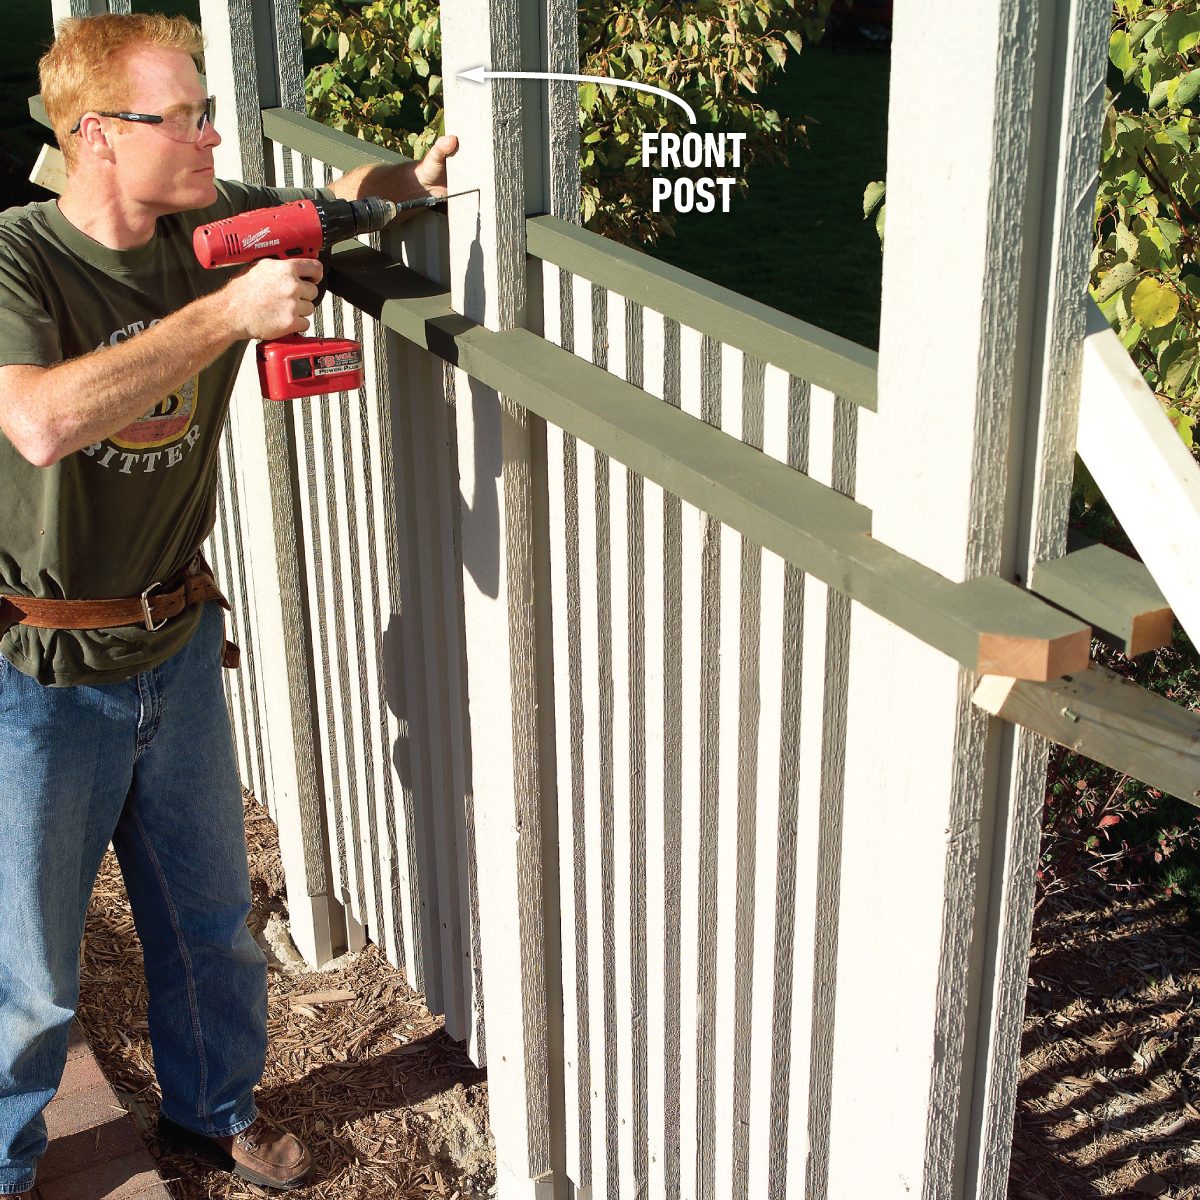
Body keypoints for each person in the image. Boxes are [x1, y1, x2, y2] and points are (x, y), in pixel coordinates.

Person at [0, 12, 458, 1195]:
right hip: (39, 675)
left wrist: (410, 178)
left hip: (178, 645)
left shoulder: (203, 217)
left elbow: (334, 199)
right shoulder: (17, 256)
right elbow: (42, 420)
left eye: (208, 111)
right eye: (184, 117)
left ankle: (213, 1110)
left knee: (210, 926)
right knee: (31, 973)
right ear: (98, 136)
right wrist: (225, 317)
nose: (209, 136)